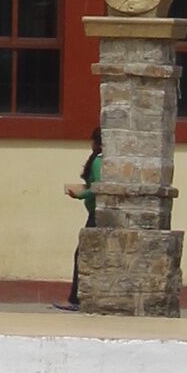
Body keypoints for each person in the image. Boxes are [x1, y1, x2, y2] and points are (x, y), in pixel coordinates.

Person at [64, 125, 103, 309]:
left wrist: (80, 194)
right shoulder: (103, 161)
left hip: (96, 215)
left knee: (82, 254)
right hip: (95, 212)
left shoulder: (97, 162)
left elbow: (96, 188)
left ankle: (75, 298)